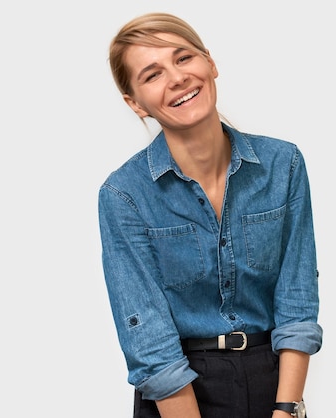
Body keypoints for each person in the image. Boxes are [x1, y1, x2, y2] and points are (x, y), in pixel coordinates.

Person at [98, 12, 322, 418]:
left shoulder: (282, 165)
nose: (177, 78)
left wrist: (288, 409)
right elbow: (148, 336)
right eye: (152, 75)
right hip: (178, 392)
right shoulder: (124, 195)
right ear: (135, 103)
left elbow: (297, 298)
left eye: (183, 58)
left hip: (272, 384)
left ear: (210, 63)